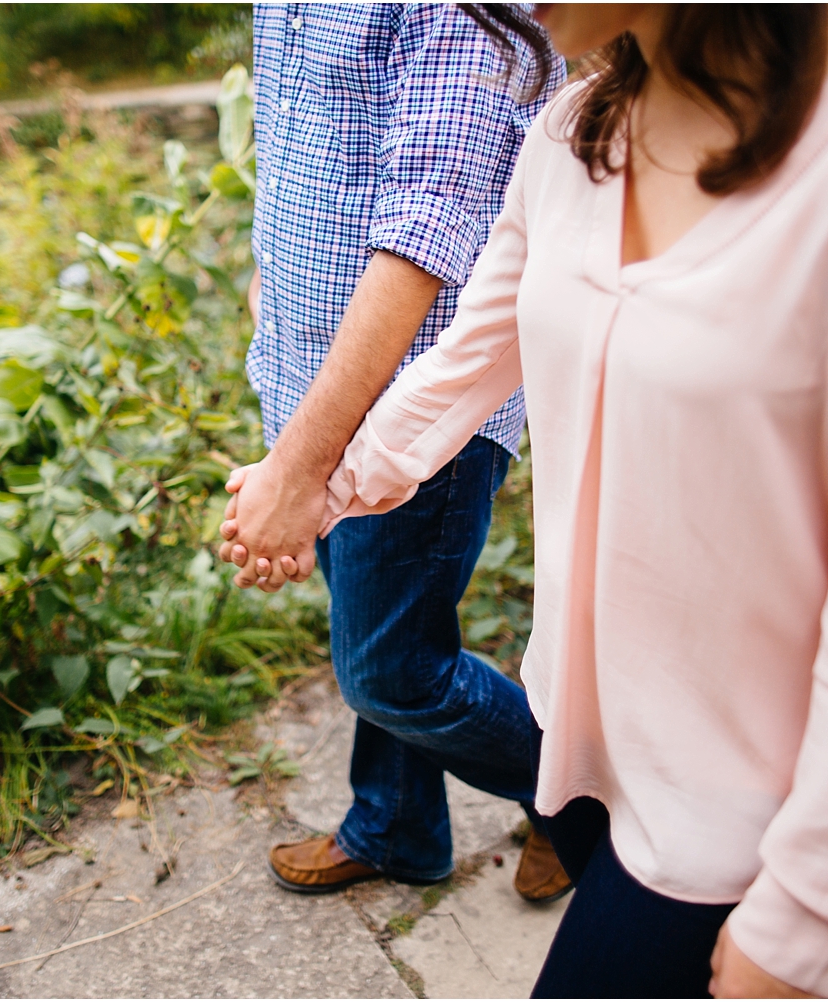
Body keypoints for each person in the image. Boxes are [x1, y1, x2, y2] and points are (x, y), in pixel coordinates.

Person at [221, 3, 828, 997]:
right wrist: (323, 488)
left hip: (738, 800)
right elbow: (465, 365)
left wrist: (802, 916)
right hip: (579, 744)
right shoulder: (575, 128)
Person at [235, 4, 569, 901]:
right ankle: (397, 825)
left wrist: (301, 472)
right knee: (388, 623)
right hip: (312, 368)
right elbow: (301, 134)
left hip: (422, 405)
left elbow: (431, 226)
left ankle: (589, 809)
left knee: (393, 671)